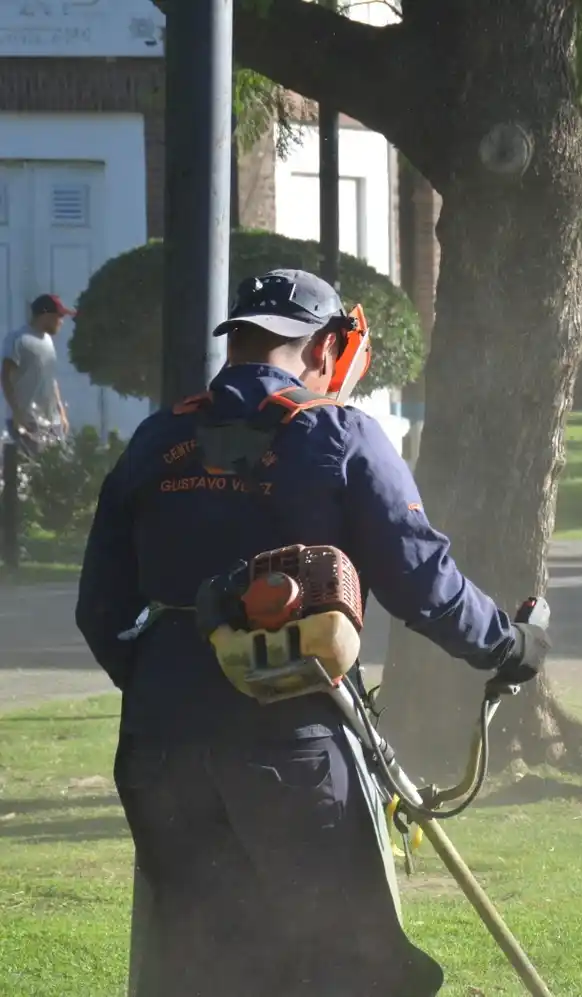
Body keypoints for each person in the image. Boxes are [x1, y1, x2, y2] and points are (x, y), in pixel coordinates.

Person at [74, 269, 550, 997]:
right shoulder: (339, 434)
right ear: (326, 346)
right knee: (349, 968)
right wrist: (507, 646)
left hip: (157, 750)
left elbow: (99, 610)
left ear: (237, 342)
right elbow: (422, 579)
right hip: (292, 753)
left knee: (204, 967)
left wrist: (172, 680)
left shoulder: (156, 438)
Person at [3, 293, 72, 453]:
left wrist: (61, 413)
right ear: (46, 315)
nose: (61, 322)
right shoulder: (18, 339)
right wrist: (17, 412)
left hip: (50, 423)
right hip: (27, 423)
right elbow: (6, 377)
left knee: (52, 472)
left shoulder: (48, 341)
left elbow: (50, 378)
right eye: (59, 316)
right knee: (29, 473)